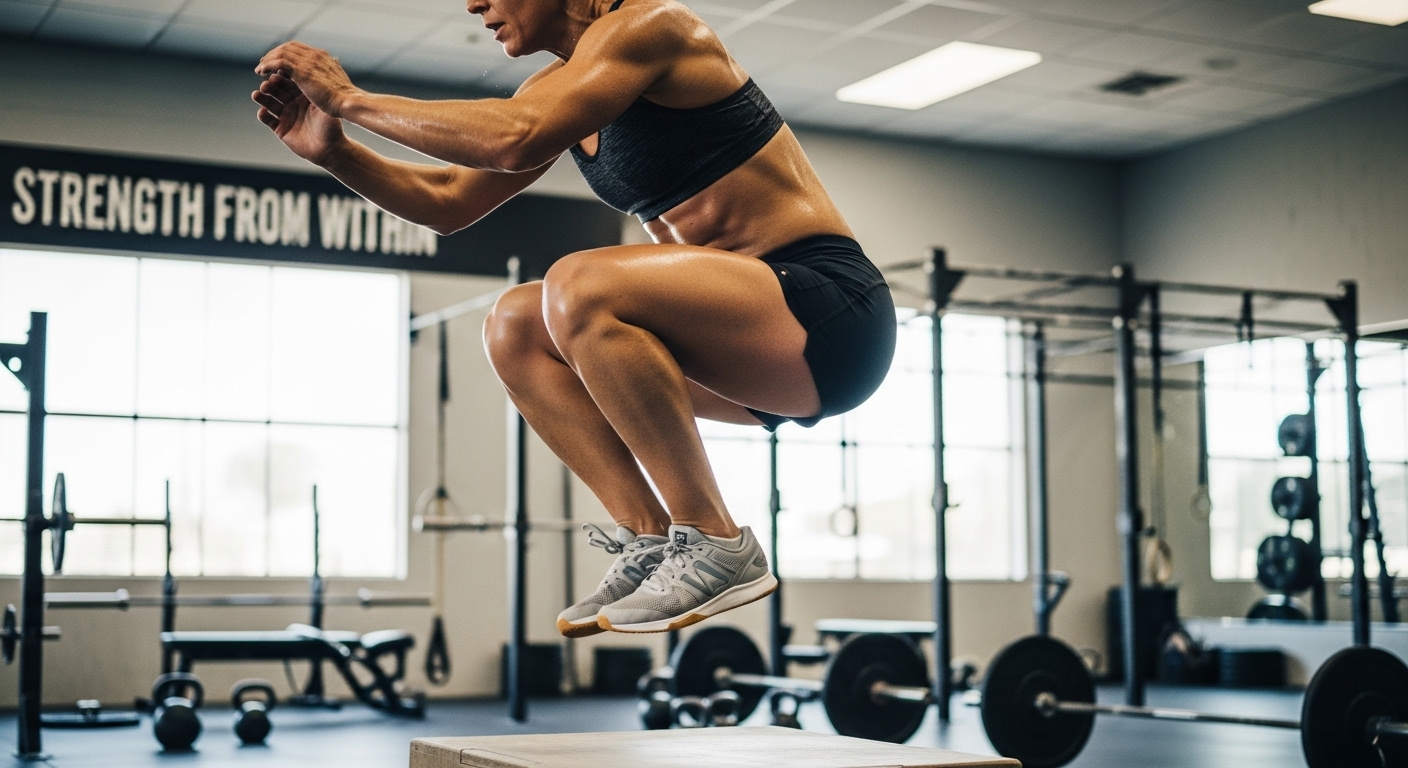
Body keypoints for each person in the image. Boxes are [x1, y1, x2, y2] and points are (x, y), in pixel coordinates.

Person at [252, 0, 895, 636]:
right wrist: (339, 153)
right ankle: (649, 541)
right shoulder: (560, 87)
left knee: (578, 283)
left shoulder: (653, 28)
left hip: (828, 314)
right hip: (744, 355)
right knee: (514, 324)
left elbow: (513, 136)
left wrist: (348, 98)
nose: (474, 4)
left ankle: (714, 540)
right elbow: (447, 200)